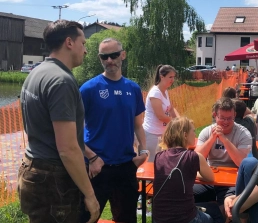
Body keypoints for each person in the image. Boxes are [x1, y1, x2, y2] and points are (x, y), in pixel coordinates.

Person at [19, 20, 100, 223]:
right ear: (69, 43)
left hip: (32, 168)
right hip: (53, 181)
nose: (86, 50)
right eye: (83, 43)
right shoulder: (61, 81)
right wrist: (90, 195)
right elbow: (67, 148)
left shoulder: (36, 72)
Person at [79, 38, 146, 223]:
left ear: (122, 55)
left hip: (126, 165)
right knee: (88, 217)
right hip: (96, 167)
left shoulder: (133, 88)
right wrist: (91, 157)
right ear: (100, 59)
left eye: (114, 55)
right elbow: (73, 130)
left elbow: (138, 125)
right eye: (104, 57)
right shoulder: (88, 89)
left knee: (127, 218)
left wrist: (144, 151)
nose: (109, 60)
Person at [153, 117, 224, 223]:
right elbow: (210, 177)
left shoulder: (158, 157)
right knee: (215, 210)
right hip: (185, 219)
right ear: (185, 135)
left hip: (159, 218)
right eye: (193, 131)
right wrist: (195, 173)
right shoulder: (194, 157)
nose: (195, 134)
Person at [194, 97, 252, 207]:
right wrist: (212, 138)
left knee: (229, 204)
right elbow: (196, 158)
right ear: (215, 116)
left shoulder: (243, 133)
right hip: (210, 177)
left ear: (234, 115)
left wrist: (224, 140)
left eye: (229, 118)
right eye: (222, 118)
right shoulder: (206, 132)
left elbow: (241, 162)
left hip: (233, 179)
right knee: (188, 194)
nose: (226, 122)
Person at [143, 65, 180, 162]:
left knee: (162, 161)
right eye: (170, 77)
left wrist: (179, 120)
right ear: (162, 76)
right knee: (152, 162)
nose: (172, 80)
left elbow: (171, 108)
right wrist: (176, 123)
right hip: (151, 134)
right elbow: (160, 116)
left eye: (173, 77)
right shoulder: (155, 93)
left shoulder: (165, 91)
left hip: (162, 133)